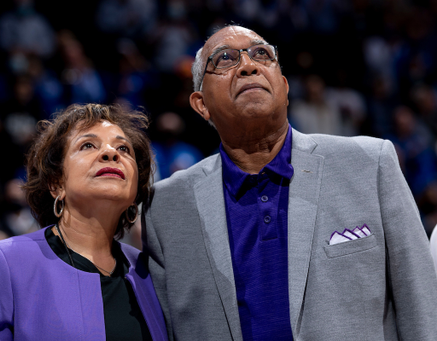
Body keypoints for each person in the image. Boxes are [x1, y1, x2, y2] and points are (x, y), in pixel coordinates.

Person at [142, 25, 437, 341]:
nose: (248, 65)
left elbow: (422, 307)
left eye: (262, 54)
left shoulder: (369, 163)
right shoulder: (166, 207)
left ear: (283, 88)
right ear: (201, 104)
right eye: (225, 59)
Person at [0, 103, 168, 340]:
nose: (111, 153)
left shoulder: (152, 273)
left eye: (124, 148)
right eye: (88, 145)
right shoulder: (2, 264)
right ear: (56, 183)